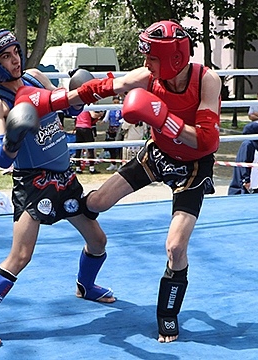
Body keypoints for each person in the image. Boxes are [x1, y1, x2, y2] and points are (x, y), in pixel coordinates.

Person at [0, 29, 114, 348]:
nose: (14, 60)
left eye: (15, 52)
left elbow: (67, 109)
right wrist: (14, 138)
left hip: (65, 178)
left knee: (98, 240)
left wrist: (78, 95)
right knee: (21, 255)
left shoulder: (36, 77)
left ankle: (85, 286)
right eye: (5, 57)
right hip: (34, 185)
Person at [76, 20, 222, 343]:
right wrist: (64, 99)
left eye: (153, 57)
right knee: (95, 202)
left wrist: (165, 120)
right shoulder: (148, 77)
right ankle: (84, 283)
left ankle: (167, 314)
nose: (146, 64)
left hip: (193, 167)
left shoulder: (206, 80)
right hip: (157, 155)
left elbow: (208, 141)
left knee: (175, 246)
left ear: (173, 57)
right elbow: (107, 86)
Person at [228, 122, 258, 195]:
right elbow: (244, 162)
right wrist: (246, 180)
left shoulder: (256, 145)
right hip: (245, 185)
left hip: (254, 183)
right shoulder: (247, 144)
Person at [102, 96, 123, 171]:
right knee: (111, 147)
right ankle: (113, 164)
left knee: (120, 147)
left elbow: (124, 118)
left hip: (119, 129)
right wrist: (103, 121)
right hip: (111, 129)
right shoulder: (110, 108)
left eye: (117, 102)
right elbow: (106, 118)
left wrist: (121, 121)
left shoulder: (121, 108)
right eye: (115, 102)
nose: (116, 103)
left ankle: (121, 164)